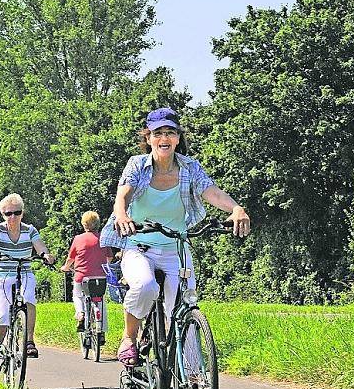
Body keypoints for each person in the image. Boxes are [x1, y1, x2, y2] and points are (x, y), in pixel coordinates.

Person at [101, 107, 251, 366]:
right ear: (148, 138)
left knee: (184, 311)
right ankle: (129, 337)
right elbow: (122, 195)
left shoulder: (190, 167)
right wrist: (123, 215)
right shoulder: (137, 165)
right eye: (158, 133)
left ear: (178, 138)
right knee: (145, 286)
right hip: (140, 246)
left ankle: (192, 384)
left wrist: (236, 208)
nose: (164, 138)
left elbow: (211, 191)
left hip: (176, 250)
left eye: (170, 132)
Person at [0, 193, 56, 374]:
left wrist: (45, 255)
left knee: (29, 298)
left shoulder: (30, 230)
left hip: (23, 271)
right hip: (1, 274)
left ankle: (29, 340)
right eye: (8, 213)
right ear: (3, 214)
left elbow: (39, 245)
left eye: (17, 212)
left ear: (22, 213)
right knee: (2, 315)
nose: (13, 217)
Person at [61, 211, 113, 336]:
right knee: (100, 301)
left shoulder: (78, 239)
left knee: (77, 295)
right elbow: (110, 257)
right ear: (98, 224)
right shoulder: (103, 238)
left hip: (82, 277)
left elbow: (70, 259)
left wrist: (66, 267)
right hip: (100, 277)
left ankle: (80, 314)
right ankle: (101, 332)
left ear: (84, 225)